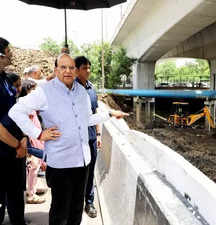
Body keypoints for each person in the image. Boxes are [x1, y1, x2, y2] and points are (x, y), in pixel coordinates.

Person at [9, 53, 128, 225]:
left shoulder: (81, 92)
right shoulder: (45, 92)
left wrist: (109, 114)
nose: (68, 71)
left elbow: (86, 119)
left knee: (76, 211)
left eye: (71, 67)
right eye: (63, 67)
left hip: (82, 162)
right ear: (56, 70)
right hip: (61, 164)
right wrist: (39, 134)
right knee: (60, 213)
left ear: (76, 71)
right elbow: (15, 111)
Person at [0, 37, 27, 225]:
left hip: (15, 151)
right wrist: (17, 144)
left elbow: (16, 111)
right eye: (8, 52)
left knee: (17, 195)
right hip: (3, 152)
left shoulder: (4, 78)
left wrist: (24, 137)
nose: (11, 55)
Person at [75, 56, 100, 218]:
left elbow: (95, 113)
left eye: (89, 67)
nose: (88, 71)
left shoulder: (91, 89)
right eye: (85, 68)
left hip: (91, 137)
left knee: (90, 172)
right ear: (77, 70)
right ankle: (75, 204)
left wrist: (98, 134)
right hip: (76, 140)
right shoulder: (71, 88)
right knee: (77, 173)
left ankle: (89, 202)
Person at [19, 80, 46, 204]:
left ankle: (32, 188)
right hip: (32, 142)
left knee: (34, 167)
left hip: (35, 140)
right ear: (27, 90)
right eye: (33, 90)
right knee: (33, 167)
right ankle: (31, 194)